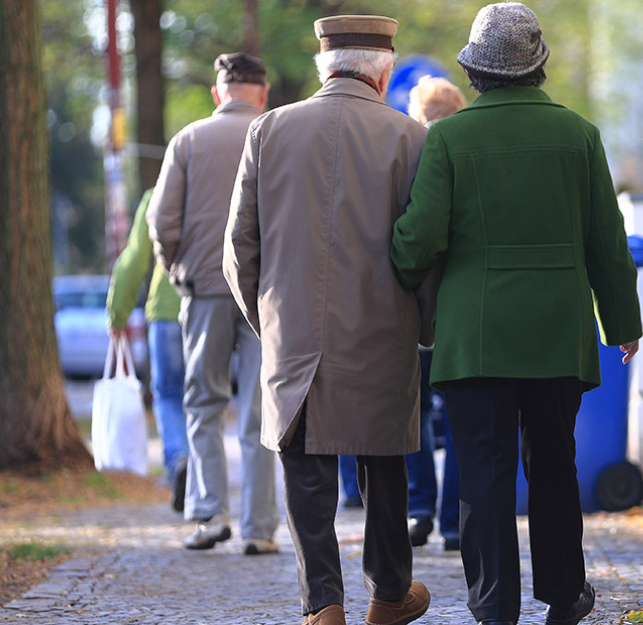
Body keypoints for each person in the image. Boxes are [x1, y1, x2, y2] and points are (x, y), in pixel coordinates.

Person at [390, 4, 643, 625]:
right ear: (538, 66)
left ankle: (493, 603)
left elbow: (419, 240)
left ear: (475, 70)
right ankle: (564, 593)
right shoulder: (580, 135)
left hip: (475, 337)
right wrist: (622, 324)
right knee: (555, 464)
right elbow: (607, 242)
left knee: (482, 471)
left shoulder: (449, 137)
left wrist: (397, 271)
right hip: (558, 332)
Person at [223, 15, 435, 625]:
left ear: (324, 67)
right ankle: (390, 595)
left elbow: (239, 247)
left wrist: (270, 321)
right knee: (384, 465)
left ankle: (324, 607)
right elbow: (427, 250)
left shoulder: (268, 130)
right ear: (385, 71)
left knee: (307, 473)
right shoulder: (411, 138)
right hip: (382, 330)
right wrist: (425, 327)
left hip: (294, 334)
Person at [147, 52, 279, 555]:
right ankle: (261, 528)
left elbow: (161, 220)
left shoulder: (189, 139)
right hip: (265, 295)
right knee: (261, 409)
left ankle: (209, 516)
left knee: (203, 403)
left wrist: (177, 266)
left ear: (216, 92)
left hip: (204, 289)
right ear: (262, 92)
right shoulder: (275, 133)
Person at [403, 76, 465, 552]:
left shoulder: (409, 153)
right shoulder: (469, 151)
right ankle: (454, 522)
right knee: (464, 413)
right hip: (463, 305)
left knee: (415, 410)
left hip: (412, 308)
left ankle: (420, 506)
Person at [106, 189, 189, 512]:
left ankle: (178, 458)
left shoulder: (156, 196)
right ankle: (203, 476)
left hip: (165, 314)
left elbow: (135, 257)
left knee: (167, 394)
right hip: (205, 309)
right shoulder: (216, 188)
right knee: (203, 398)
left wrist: (117, 313)